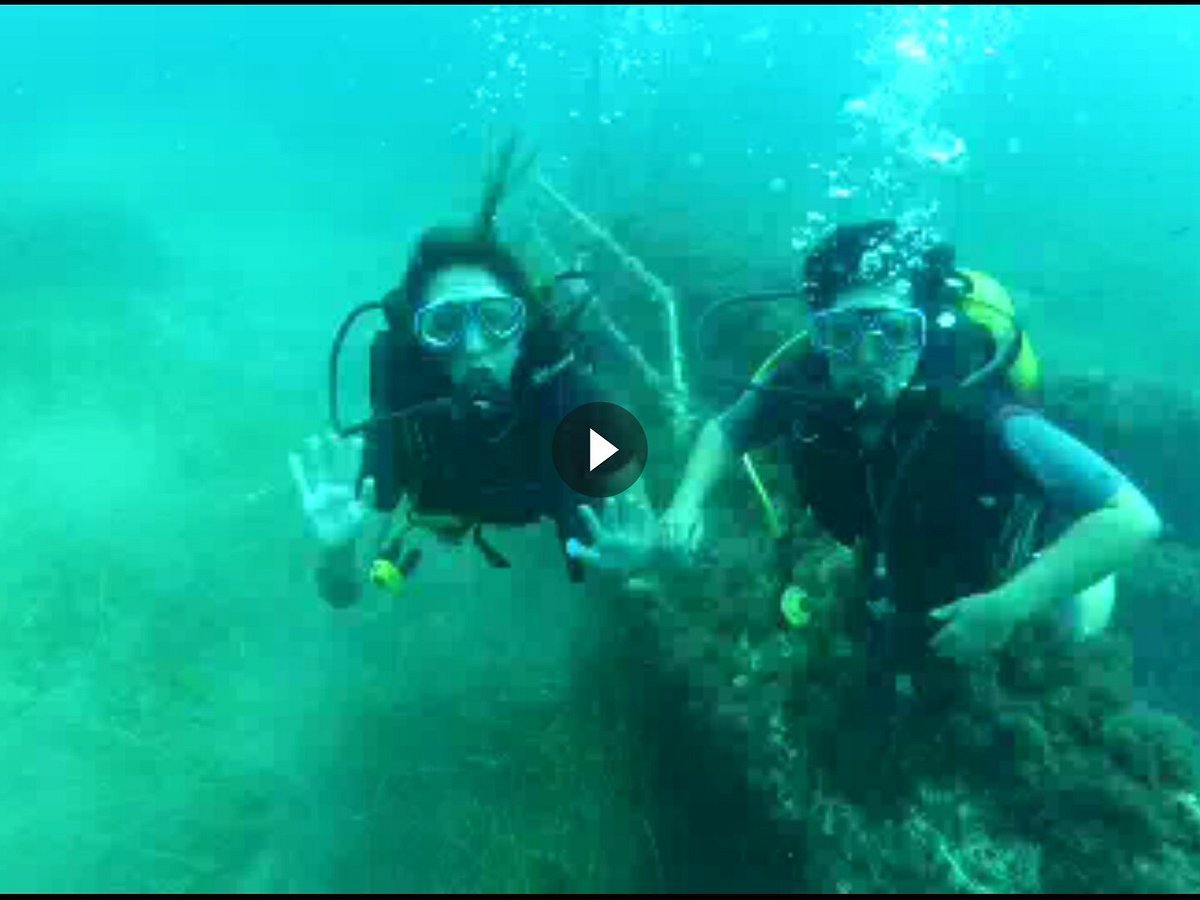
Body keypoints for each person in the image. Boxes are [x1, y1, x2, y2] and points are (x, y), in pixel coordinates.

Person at [571, 220, 1162, 680]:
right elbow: (726, 429)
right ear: (820, 333)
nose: (867, 356)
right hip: (889, 529)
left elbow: (1130, 519)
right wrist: (684, 506)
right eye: (843, 334)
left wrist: (1009, 606)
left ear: (924, 330)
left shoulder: (977, 410)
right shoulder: (809, 377)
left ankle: (1066, 581)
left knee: (1073, 632)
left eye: (893, 332)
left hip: (998, 545)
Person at [288, 142, 613, 609]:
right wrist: (337, 548)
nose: (476, 346)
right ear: (421, 339)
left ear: (525, 326)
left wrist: (642, 551)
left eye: (498, 319)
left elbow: (628, 496)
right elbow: (346, 591)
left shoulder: (562, 389)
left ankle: (578, 272)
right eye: (445, 326)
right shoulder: (405, 406)